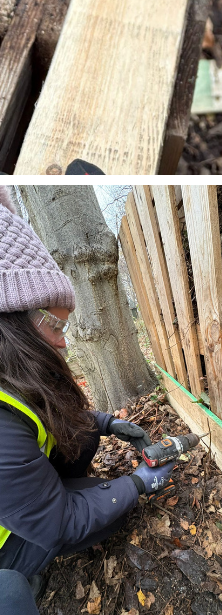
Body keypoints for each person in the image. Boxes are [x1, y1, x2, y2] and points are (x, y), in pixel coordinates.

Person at [0, 189, 174, 584]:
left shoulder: (10, 376)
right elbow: (59, 521)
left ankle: (58, 494)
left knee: (86, 445)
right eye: (56, 326)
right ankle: (19, 572)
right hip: (6, 540)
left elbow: (53, 417)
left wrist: (108, 423)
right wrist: (134, 485)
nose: (64, 341)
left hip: (19, 503)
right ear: (9, 324)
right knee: (108, 515)